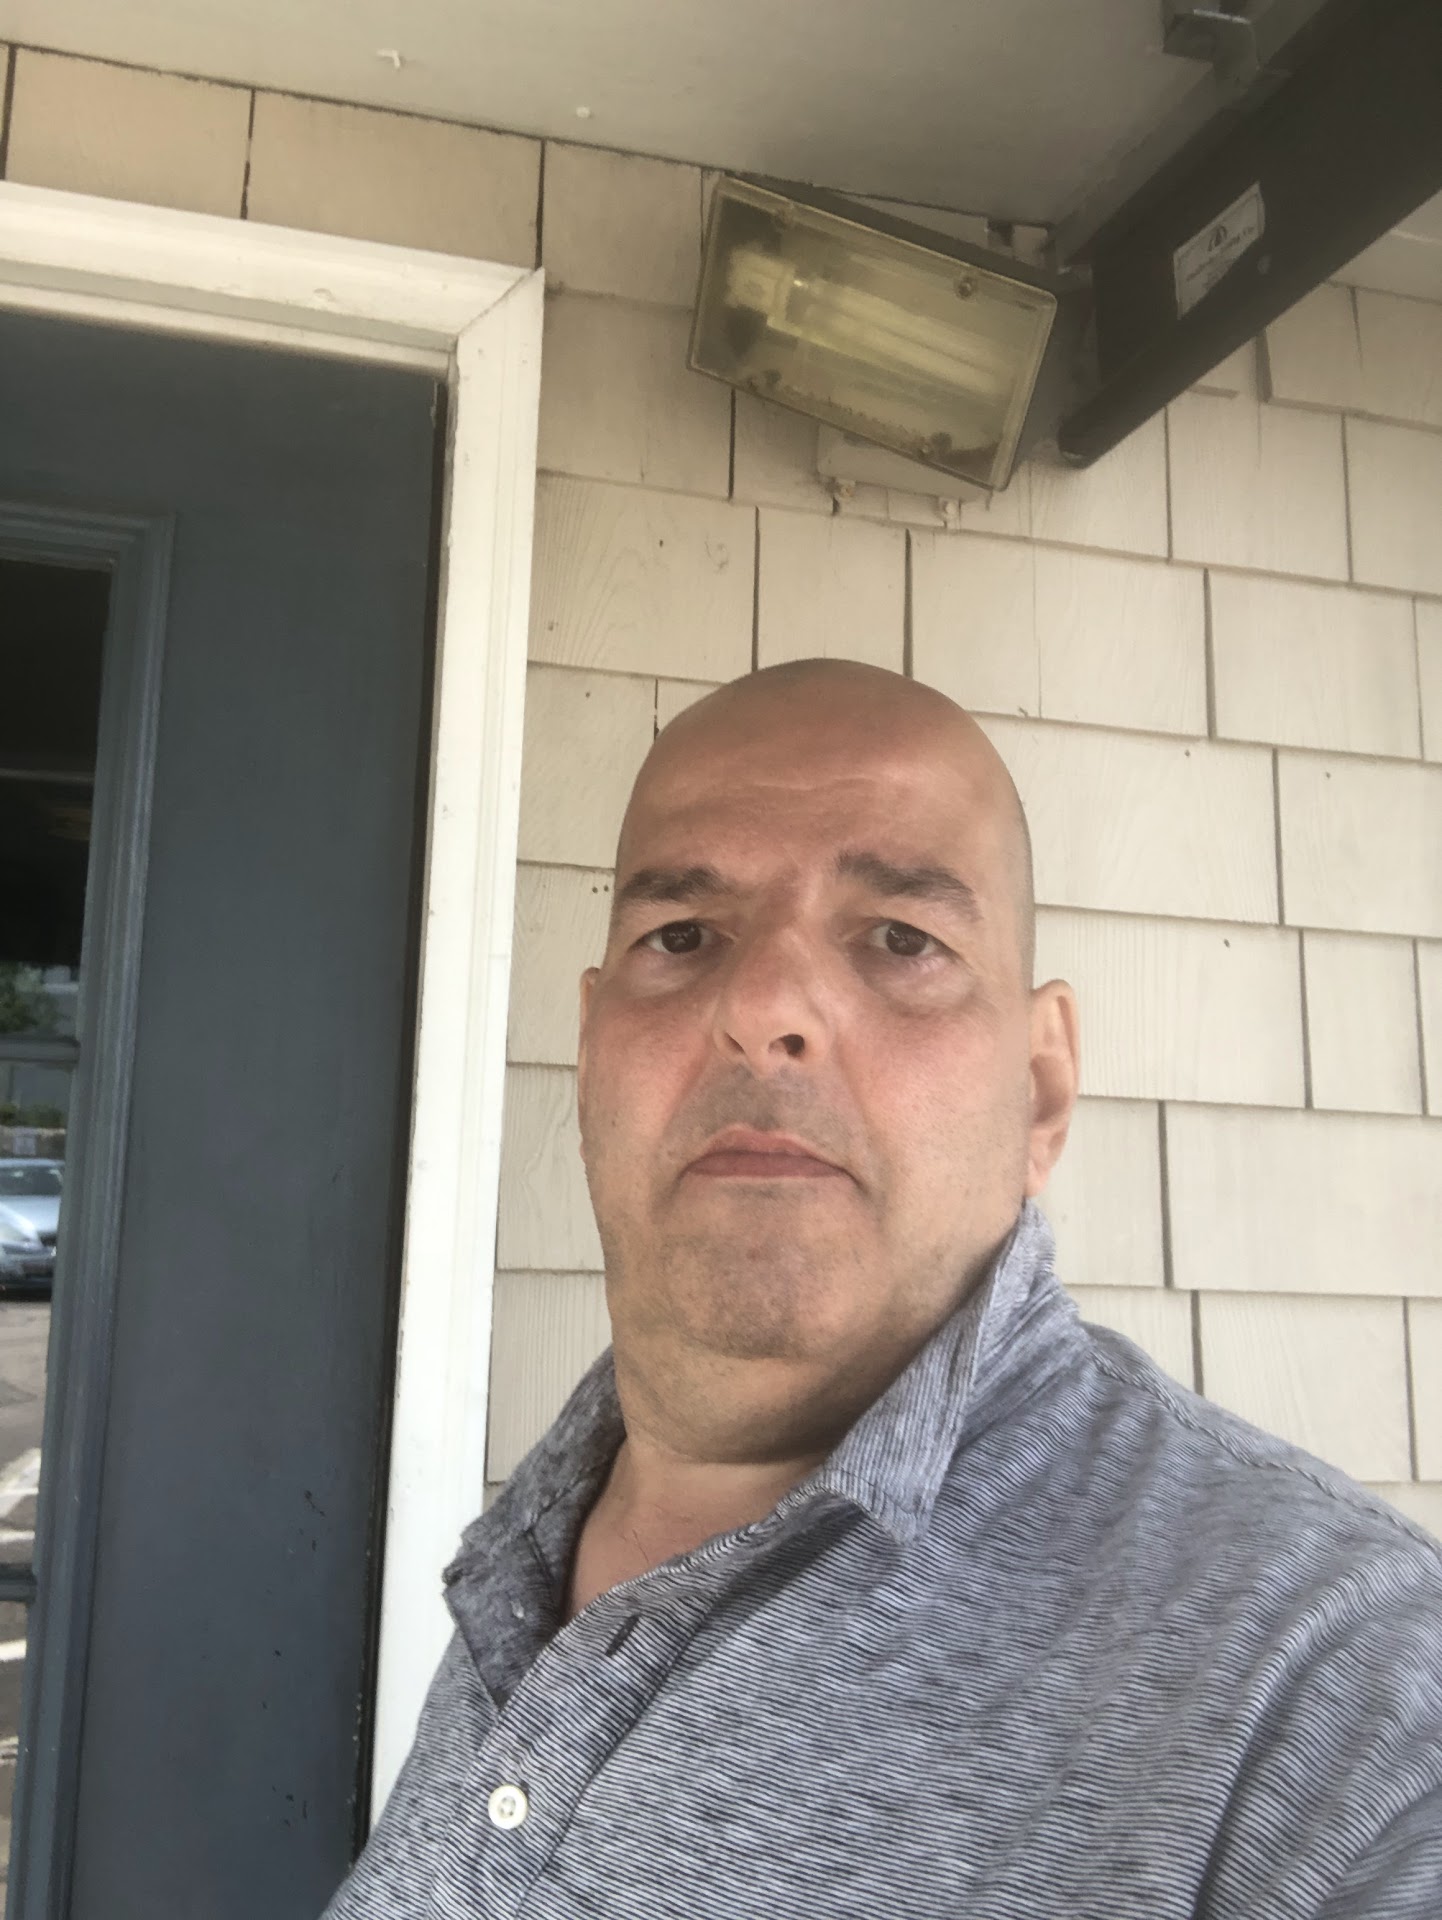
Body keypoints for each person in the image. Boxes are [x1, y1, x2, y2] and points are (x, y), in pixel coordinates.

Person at [324, 658, 1442, 1919]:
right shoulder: (524, 1553)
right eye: (680, 937)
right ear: (588, 1055)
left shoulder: (1338, 1698)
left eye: (902, 940)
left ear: (1040, 1090)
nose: (760, 1006)